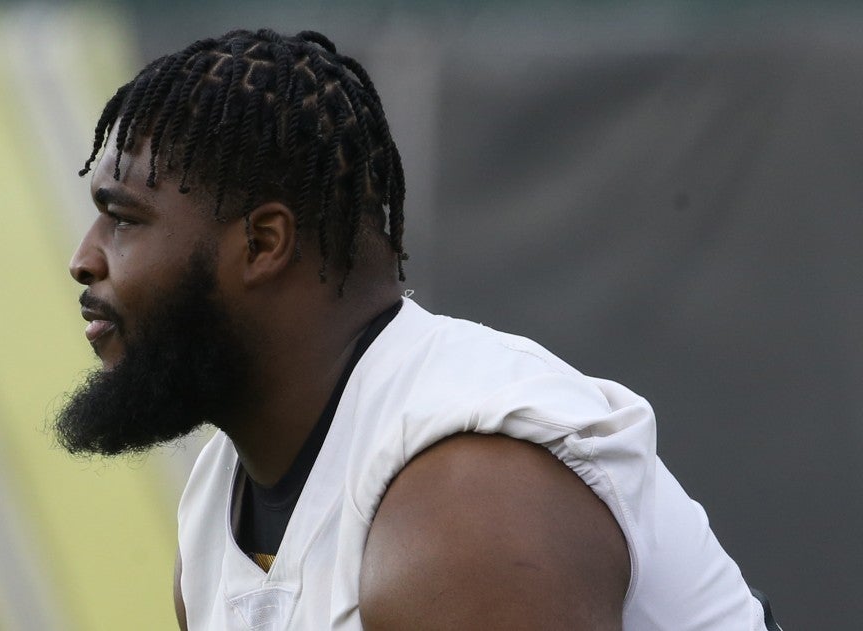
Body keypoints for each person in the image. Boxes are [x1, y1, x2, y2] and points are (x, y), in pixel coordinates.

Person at [56, 29, 778, 630]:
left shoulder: (467, 502)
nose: (83, 259)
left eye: (122, 219)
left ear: (262, 244)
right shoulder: (219, 505)